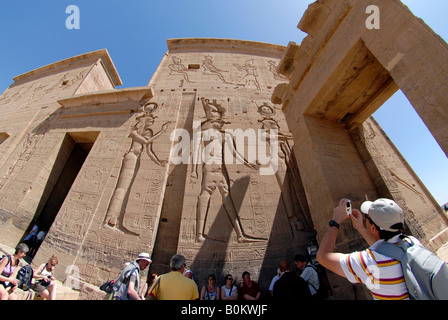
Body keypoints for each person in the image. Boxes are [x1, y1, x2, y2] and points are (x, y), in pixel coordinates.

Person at [317, 198, 413, 300]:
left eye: (367, 217)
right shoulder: (411, 243)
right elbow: (383, 249)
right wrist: (361, 228)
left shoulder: (369, 263)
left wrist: (336, 220)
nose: (365, 218)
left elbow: (322, 257)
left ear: (372, 228)